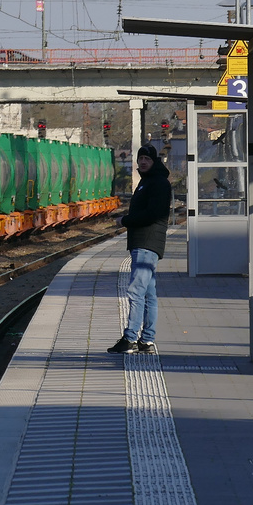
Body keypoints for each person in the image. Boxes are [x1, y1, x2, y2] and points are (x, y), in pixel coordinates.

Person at [109, 143, 172, 355]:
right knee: (148, 294)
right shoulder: (148, 182)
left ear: (155, 161)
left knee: (136, 292)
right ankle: (146, 341)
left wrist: (125, 220)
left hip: (147, 243)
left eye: (147, 159)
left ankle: (130, 339)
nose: (143, 162)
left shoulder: (158, 183)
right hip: (145, 243)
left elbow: (153, 213)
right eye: (141, 158)